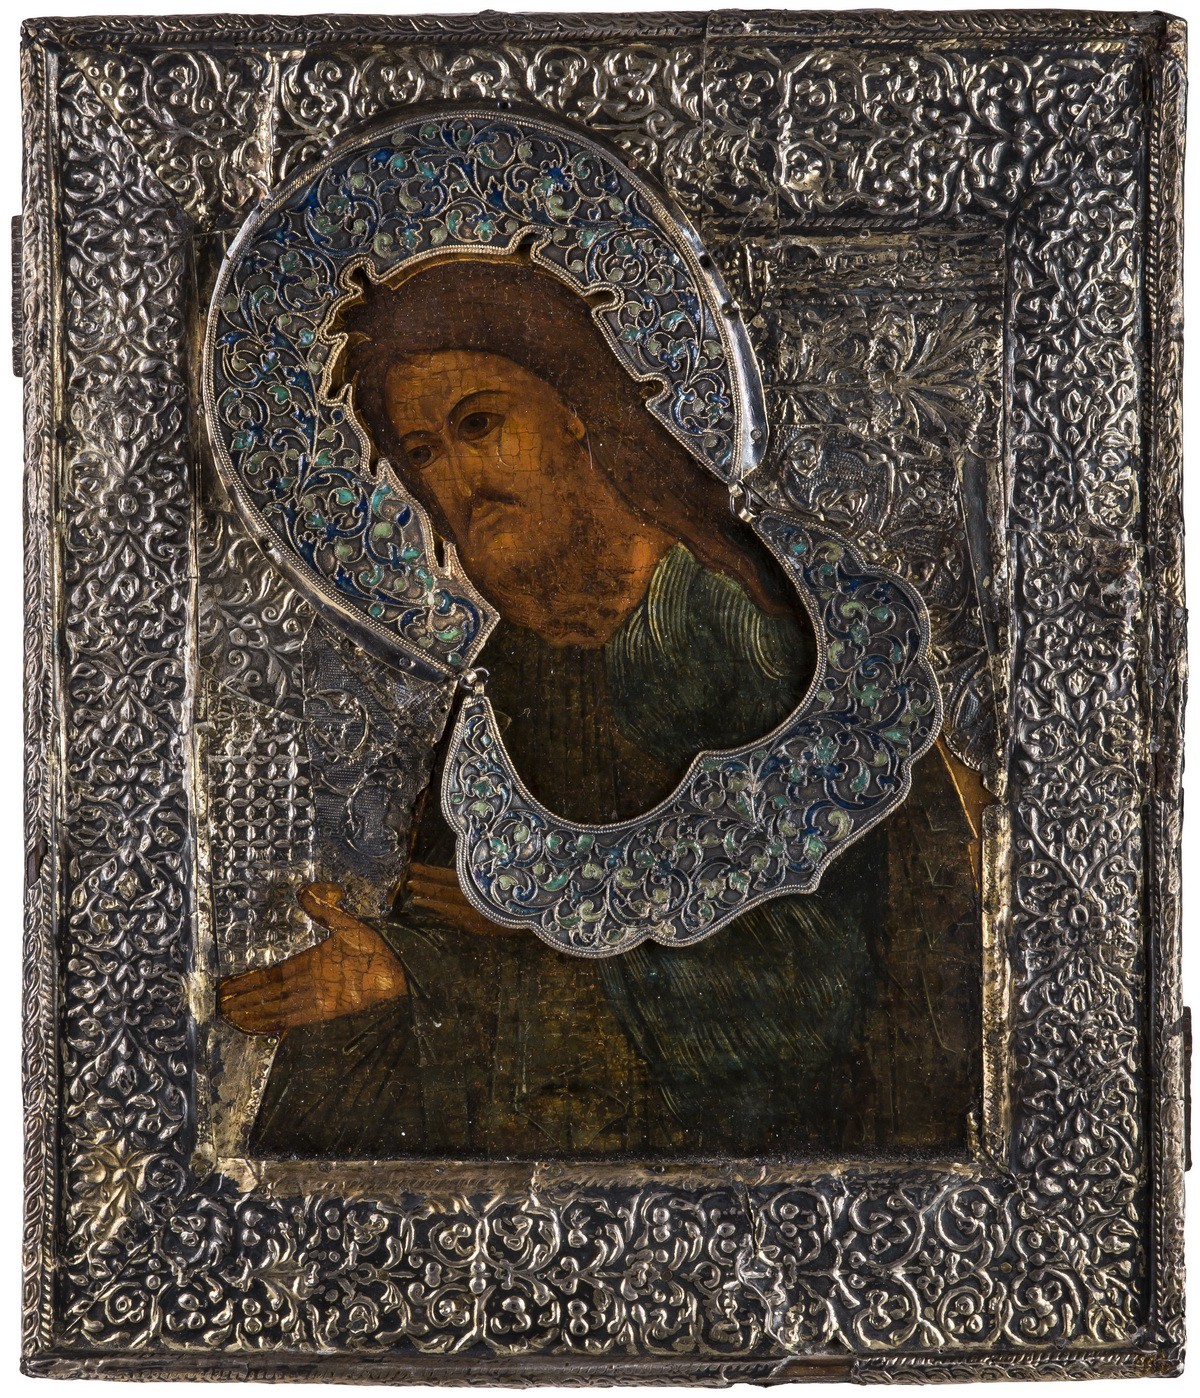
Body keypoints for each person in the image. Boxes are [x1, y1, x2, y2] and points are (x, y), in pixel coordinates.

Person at [219, 258, 981, 1159]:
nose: (459, 477)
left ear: (576, 411)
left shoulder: (722, 624)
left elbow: (807, 996)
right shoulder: (515, 668)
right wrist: (398, 966)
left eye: (480, 425)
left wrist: (489, 955)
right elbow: (457, 911)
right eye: (424, 454)